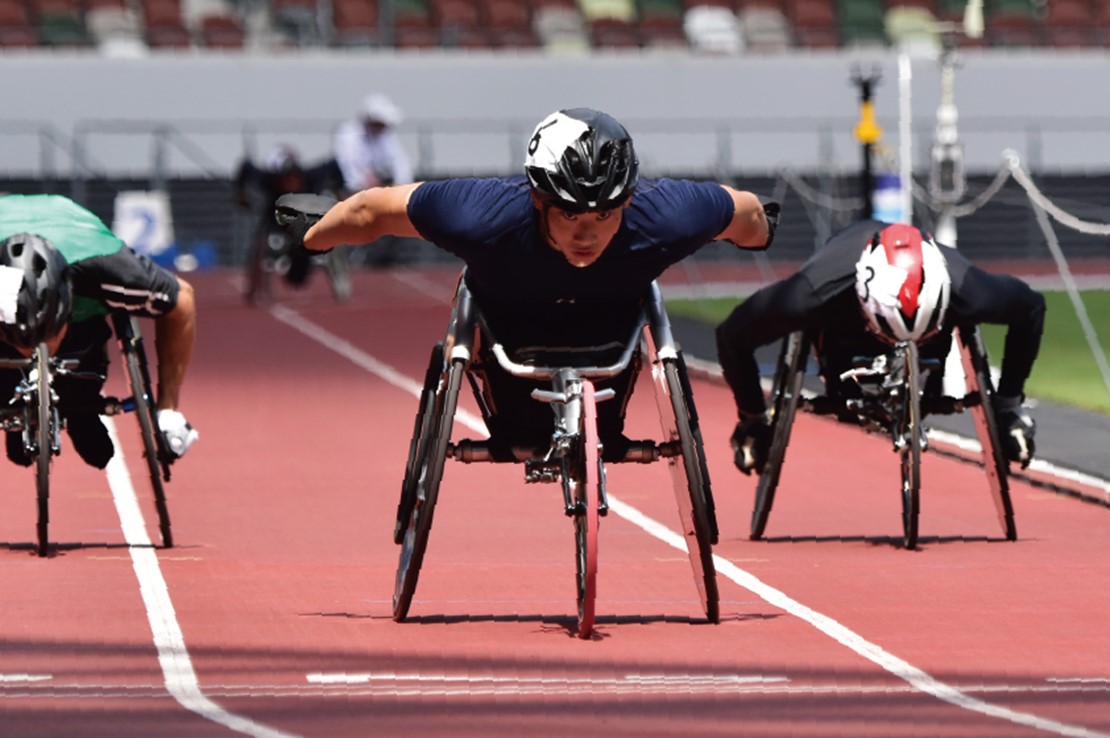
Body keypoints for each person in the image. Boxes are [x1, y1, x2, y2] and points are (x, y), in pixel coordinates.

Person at [282, 107, 777, 461]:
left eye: (605, 214)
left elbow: (745, 211)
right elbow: (372, 210)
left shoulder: (663, 216)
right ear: (539, 200)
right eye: (570, 214)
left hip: (613, 345)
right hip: (504, 341)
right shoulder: (485, 214)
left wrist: (759, 233)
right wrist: (313, 238)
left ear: (627, 202)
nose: (588, 232)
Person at [716, 219, 1045, 475]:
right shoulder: (811, 294)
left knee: (974, 363)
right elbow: (731, 336)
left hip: (933, 336)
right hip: (842, 328)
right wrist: (753, 415)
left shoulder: (971, 291)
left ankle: (996, 408)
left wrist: (1007, 403)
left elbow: (1032, 308)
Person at [0, 194, 198, 470]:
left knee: (82, 382)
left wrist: (168, 409)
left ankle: (81, 402)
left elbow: (183, 301)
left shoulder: (106, 268)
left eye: (48, 335)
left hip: (76, 244)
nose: (36, 347)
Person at [233, 144, 343, 302]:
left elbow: (334, 165)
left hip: (305, 217)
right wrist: (241, 193)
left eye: (293, 178)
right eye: (285, 179)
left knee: (304, 261)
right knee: (260, 240)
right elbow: (246, 166)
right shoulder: (268, 180)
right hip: (276, 216)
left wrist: (339, 190)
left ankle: (326, 278)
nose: (290, 183)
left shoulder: (311, 177)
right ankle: (255, 286)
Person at [331, 93, 415, 268]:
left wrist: (403, 187)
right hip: (347, 188)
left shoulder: (385, 136)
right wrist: (365, 184)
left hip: (375, 188)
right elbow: (349, 167)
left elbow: (400, 162)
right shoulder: (349, 134)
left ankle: (383, 255)